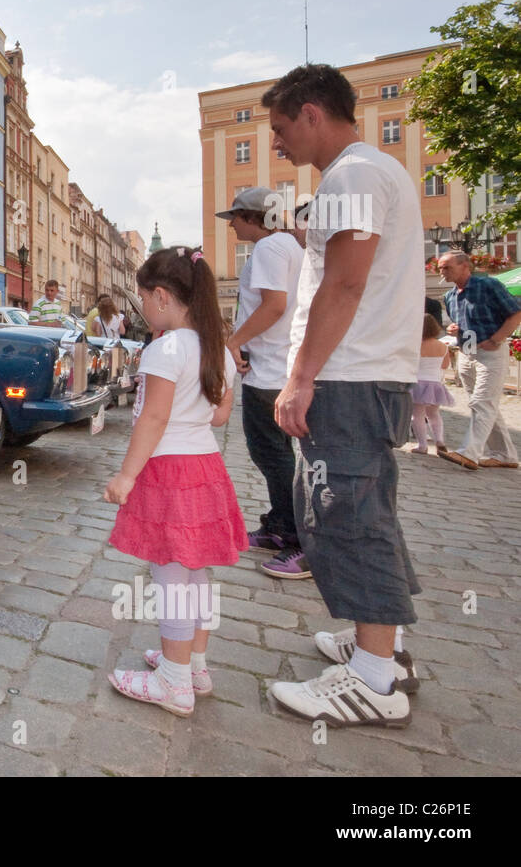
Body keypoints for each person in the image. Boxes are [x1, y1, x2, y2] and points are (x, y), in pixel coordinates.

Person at [264, 63, 425, 727]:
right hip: (363, 371)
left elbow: (345, 283)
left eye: (278, 129)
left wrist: (301, 376)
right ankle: (380, 643)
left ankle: (371, 679)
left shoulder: (353, 174)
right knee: (361, 508)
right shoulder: (367, 173)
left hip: (350, 376)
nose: (275, 144)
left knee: (346, 513)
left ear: (310, 113)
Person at [103, 246, 244, 717]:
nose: (141, 306)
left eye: (143, 297)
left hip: (169, 469)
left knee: (170, 576)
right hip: (205, 467)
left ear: (161, 296)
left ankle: (172, 682)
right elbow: (221, 415)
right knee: (195, 571)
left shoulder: (164, 349)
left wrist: (127, 475)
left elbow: (154, 418)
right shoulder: (217, 348)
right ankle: (192, 665)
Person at [217, 187, 306, 572]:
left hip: (269, 370)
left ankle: (297, 534)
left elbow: (274, 305)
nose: (232, 223)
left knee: (270, 453)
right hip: (278, 365)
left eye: (235, 216)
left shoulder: (270, 249)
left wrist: (233, 342)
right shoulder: (289, 246)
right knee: (275, 454)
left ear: (254, 217)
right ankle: (281, 524)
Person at [437, 250, 521, 470]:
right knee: (486, 405)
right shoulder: (450, 296)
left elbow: (516, 313)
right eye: (440, 267)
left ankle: (469, 453)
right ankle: (505, 455)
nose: (441, 271)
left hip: (491, 354)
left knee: (481, 403)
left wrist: (497, 339)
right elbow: (462, 324)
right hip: (466, 354)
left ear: (465, 266)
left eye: (447, 267)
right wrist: (453, 329)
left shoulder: (489, 286)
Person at [410, 313, 453, 455]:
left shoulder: (415, 345)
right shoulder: (443, 346)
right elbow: (445, 365)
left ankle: (422, 445)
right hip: (435, 383)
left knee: (418, 415)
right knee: (434, 414)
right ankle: (439, 440)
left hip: (418, 383)